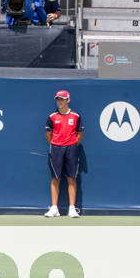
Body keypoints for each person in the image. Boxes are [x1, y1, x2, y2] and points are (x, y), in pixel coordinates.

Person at [44, 90, 82, 218]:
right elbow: (48, 134)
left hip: (71, 148)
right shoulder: (52, 116)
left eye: (62, 99)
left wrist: (71, 143)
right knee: (55, 178)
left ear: (68, 100)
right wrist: (56, 143)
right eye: (58, 99)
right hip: (56, 149)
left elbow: (79, 134)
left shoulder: (76, 116)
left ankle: (72, 208)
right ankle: (54, 208)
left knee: (71, 178)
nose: (60, 101)